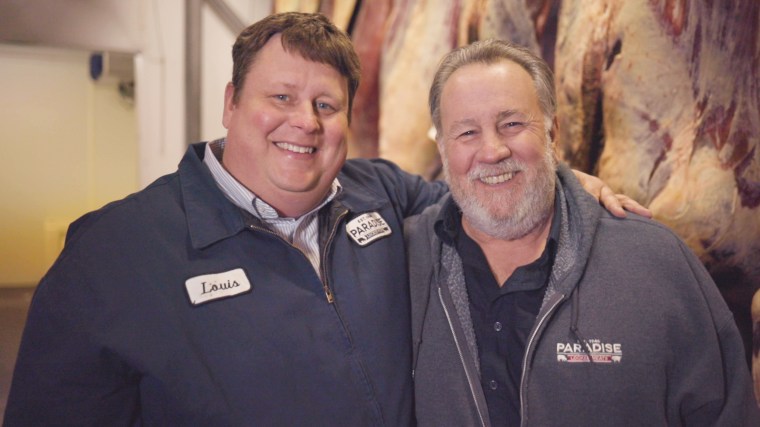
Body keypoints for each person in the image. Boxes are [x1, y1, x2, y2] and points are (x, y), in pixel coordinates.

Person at [4, 13, 644, 426]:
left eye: (325, 104)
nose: (304, 122)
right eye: (280, 97)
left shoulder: (385, 196)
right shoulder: (115, 253)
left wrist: (557, 176)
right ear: (230, 103)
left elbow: (486, 194)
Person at [405, 39, 759, 426]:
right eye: (467, 133)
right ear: (442, 149)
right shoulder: (404, 262)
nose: (492, 151)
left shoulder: (655, 263)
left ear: (553, 132)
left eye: (512, 124)